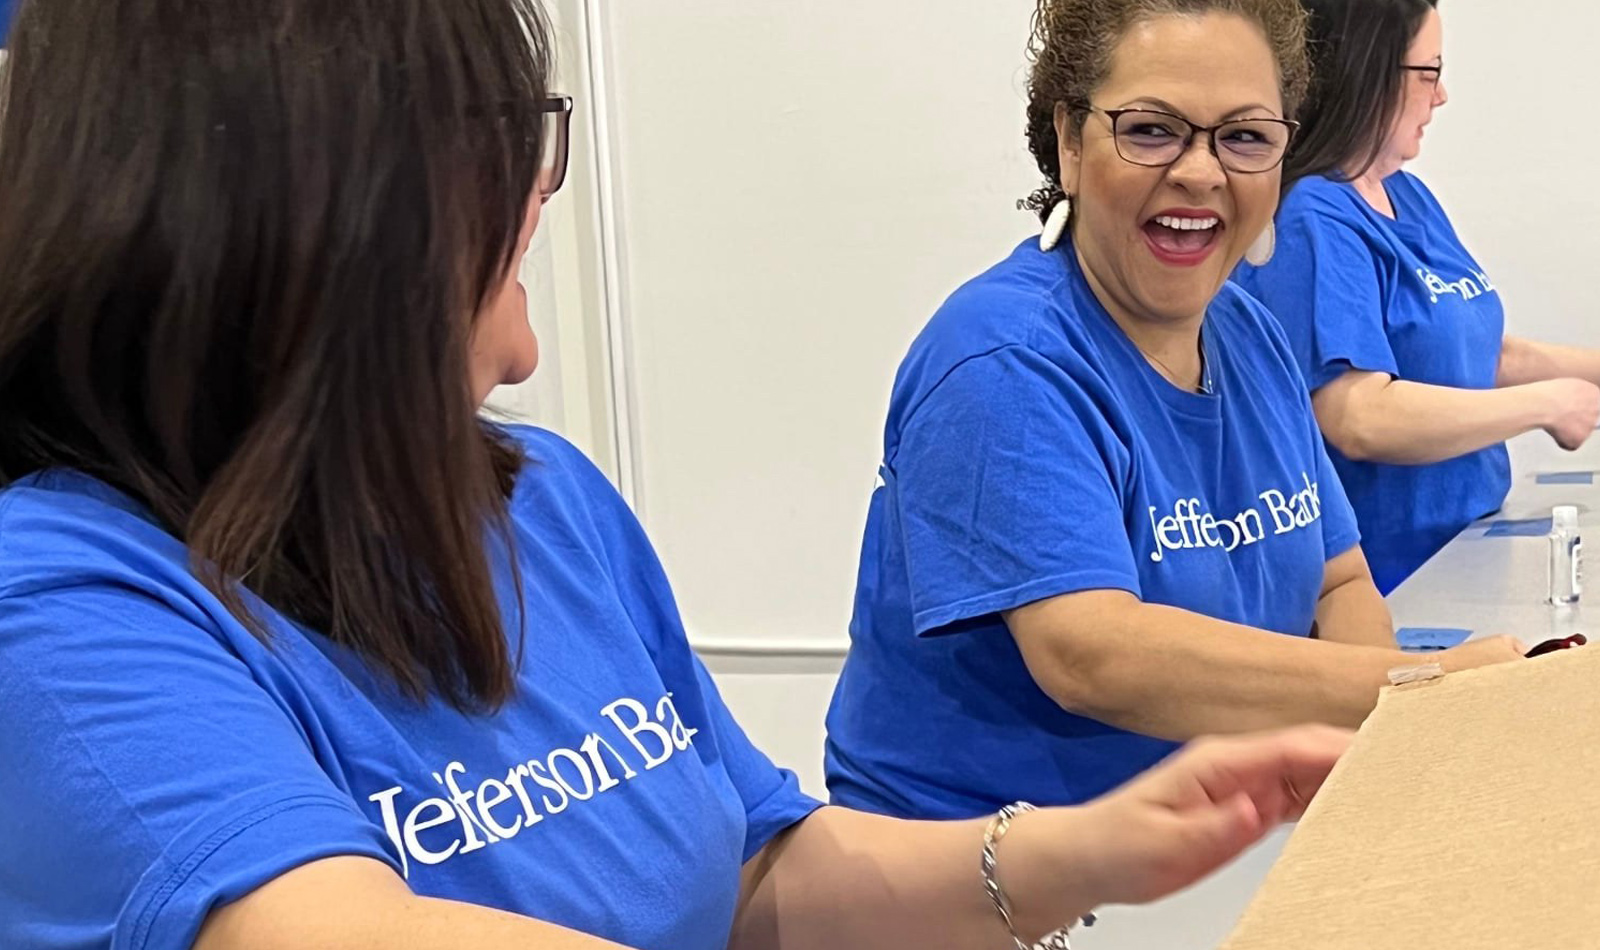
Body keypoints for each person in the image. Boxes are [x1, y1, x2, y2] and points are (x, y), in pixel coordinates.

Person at [0, 1, 1359, 949]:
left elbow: (761, 866)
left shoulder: (544, 500)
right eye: (501, 138)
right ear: (322, 207)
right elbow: (327, 929)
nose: (541, 188)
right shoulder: (66, 600)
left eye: (1247, 134)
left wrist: (1089, 851)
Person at [823, 0, 1524, 822]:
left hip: (1194, 836)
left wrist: (1372, 748)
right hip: (993, 869)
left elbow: (1339, 579)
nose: (1202, 172)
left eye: (1246, 136)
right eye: (1152, 130)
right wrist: (1416, 684)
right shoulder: (1003, 359)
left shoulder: (1248, 333)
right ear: (1070, 144)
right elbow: (1094, 655)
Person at [1234, 0, 1600, 594]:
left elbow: (1479, 353)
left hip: (1469, 545)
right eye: (1428, 73)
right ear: (1368, 70)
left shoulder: (1408, 196)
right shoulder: (1312, 221)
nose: (1442, 95)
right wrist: (1546, 405)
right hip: (1392, 578)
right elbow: (1357, 415)